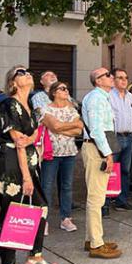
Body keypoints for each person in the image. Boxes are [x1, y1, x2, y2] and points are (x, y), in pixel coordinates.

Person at [0, 66, 56, 264]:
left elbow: (34, 134)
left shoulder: (28, 104)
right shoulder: (10, 104)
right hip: (13, 166)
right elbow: (17, 143)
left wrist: (29, 139)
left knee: (41, 207)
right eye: (21, 72)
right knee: (13, 213)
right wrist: (27, 177)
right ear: (12, 82)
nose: (27, 73)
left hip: (29, 164)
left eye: (28, 71)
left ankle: (35, 255)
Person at [81, 67, 122, 258]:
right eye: (106, 75)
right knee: (96, 198)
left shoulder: (100, 97)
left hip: (97, 148)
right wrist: (108, 154)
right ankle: (96, 244)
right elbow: (97, 130)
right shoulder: (96, 99)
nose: (111, 77)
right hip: (96, 149)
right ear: (98, 80)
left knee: (97, 197)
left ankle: (93, 239)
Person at [40, 81, 83, 233]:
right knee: (46, 186)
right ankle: (43, 220)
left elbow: (79, 130)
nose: (66, 90)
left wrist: (59, 128)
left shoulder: (72, 109)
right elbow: (55, 126)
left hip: (69, 152)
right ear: (54, 93)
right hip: (51, 154)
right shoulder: (45, 109)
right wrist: (67, 126)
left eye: (66, 88)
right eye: (62, 88)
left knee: (67, 186)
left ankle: (66, 218)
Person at [108, 68, 132, 212]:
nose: (124, 80)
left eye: (126, 77)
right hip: (115, 137)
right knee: (109, 170)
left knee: (125, 170)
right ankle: (104, 204)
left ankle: (121, 200)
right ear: (113, 80)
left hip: (129, 137)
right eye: (120, 77)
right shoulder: (109, 96)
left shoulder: (131, 97)